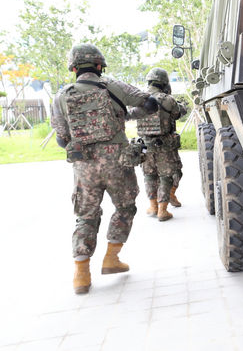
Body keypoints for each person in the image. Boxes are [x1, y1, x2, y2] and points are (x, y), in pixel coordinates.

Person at [51, 43, 158, 294]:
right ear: (99, 66)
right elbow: (150, 103)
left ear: (74, 68)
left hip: (84, 166)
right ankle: (112, 258)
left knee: (86, 215)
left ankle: (81, 274)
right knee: (125, 207)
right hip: (117, 161)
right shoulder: (113, 86)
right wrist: (127, 116)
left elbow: (61, 138)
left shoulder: (61, 95)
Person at [127, 68, 187, 222]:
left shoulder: (140, 98)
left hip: (144, 145)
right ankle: (162, 210)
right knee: (167, 176)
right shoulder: (167, 99)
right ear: (164, 82)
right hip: (164, 145)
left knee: (149, 176)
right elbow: (177, 114)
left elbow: (130, 114)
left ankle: (152, 206)